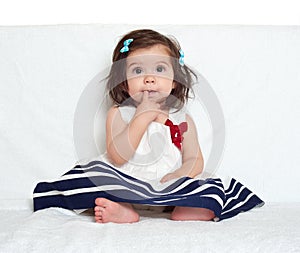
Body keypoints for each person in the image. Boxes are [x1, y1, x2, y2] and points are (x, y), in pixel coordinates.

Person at [33, 29, 264, 223]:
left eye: (160, 69)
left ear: (174, 81)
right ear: (124, 83)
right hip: (127, 181)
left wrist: (180, 174)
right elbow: (118, 155)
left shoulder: (182, 118)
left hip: (168, 186)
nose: (149, 78)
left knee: (211, 185)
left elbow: (195, 159)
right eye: (138, 70)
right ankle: (124, 210)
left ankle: (183, 207)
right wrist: (142, 116)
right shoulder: (119, 113)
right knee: (95, 174)